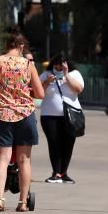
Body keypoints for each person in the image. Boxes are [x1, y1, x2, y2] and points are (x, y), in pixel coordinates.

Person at [0, 29, 45, 212]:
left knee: (2, 159)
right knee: (24, 160)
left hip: (2, 114)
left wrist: (1, 89)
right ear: (21, 46)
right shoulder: (28, 64)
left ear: (6, 46)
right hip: (25, 115)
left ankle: (0, 199)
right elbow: (40, 94)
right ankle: (22, 202)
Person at [39, 54, 85, 184]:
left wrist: (66, 75)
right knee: (54, 143)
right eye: (56, 67)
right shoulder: (45, 74)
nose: (58, 69)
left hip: (71, 116)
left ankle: (63, 173)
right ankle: (56, 173)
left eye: (61, 67)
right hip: (49, 116)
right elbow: (36, 92)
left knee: (68, 144)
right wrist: (47, 82)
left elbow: (78, 89)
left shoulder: (74, 74)